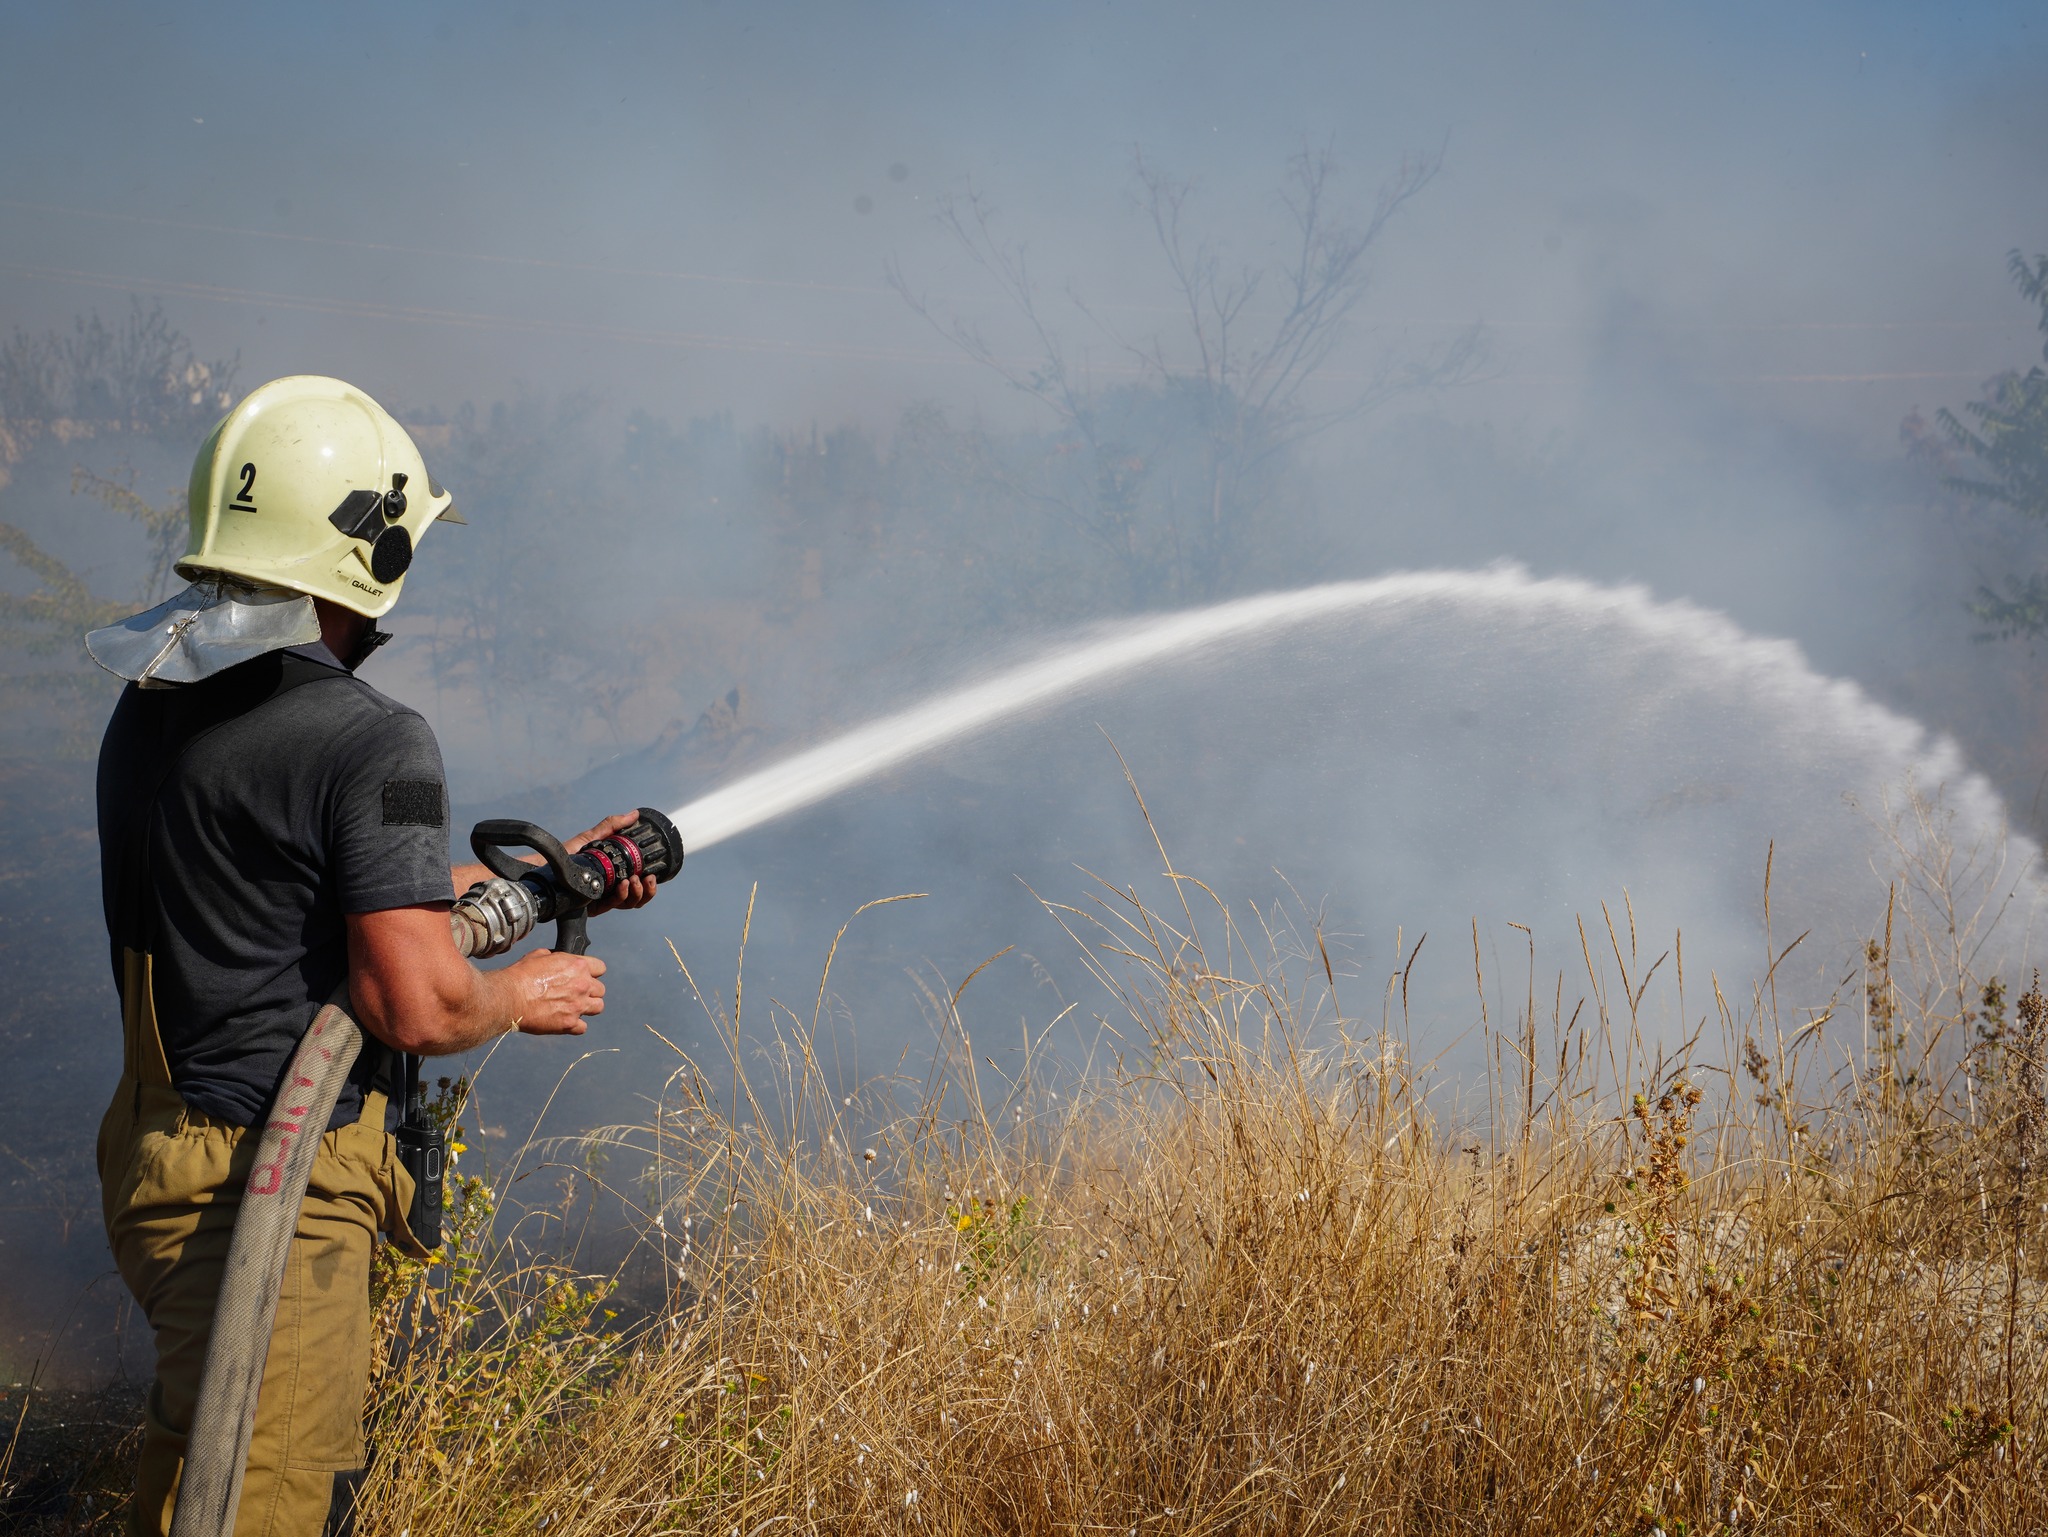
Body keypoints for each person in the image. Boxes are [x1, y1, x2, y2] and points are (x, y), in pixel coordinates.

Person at [87, 375, 655, 1537]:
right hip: (268, 1198)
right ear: (373, 547)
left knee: (193, 1477)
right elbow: (407, 1000)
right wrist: (515, 992)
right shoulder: (372, 737)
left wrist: (543, 883)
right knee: (257, 1505)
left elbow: (278, 891)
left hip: (158, 1163)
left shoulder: (156, 703)